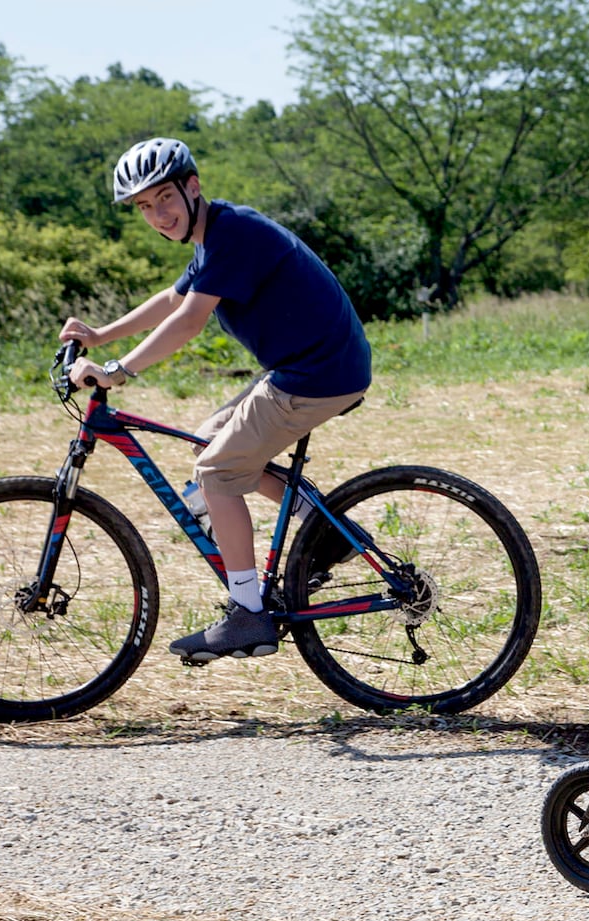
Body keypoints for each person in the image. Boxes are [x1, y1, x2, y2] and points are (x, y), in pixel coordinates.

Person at [60, 137, 372, 662]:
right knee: (208, 439)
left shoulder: (234, 233)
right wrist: (98, 335)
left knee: (216, 474)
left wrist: (117, 370)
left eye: (164, 198)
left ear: (192, 187)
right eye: (143, 207)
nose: (157, 214)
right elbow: (171, 299)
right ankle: (330, 531)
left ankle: (248, 613)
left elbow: (188, 320)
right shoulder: (215, 236)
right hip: (310, 367)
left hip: (316, 373)